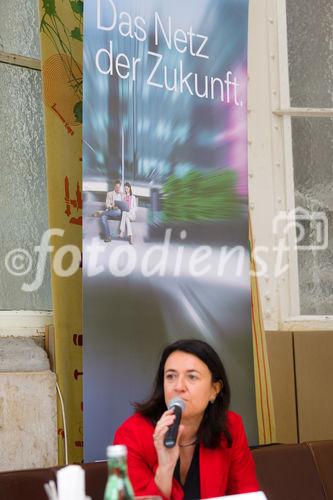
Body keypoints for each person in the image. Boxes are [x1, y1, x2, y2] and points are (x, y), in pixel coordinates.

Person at [113, 339, 259, 499]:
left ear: (214, 390)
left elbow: (246, 494)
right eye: (171, 376)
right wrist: (165, 468)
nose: (178, 386)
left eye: (192, 377)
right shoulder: (131, 434)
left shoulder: (230, 427)